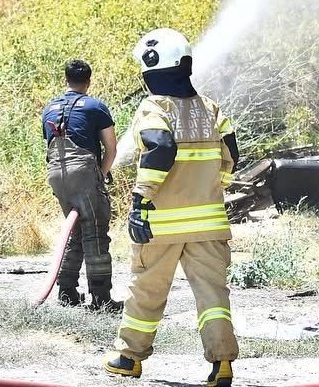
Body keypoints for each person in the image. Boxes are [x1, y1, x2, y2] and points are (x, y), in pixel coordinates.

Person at [104, 28, 239, 387]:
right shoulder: (210, 109)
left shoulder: (154, 107)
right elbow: (232, 153)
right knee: (213, 296)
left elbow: (161, 147)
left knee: (147, 290)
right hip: (209, 223)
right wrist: (212, 188)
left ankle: (129, 358)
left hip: (160, 223)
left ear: (152, 68)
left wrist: (140, 199)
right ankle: (222, 363)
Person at [42, 58, 120, 312]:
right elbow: (111, 149)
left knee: (75, 232)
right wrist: (101, 175)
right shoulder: (96, 107)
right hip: (83, 173)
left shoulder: (50, 108)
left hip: (56, 174)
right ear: (88, 81)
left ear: (65, 80)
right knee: (95, 233)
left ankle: (66, 292)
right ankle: (101, 298)